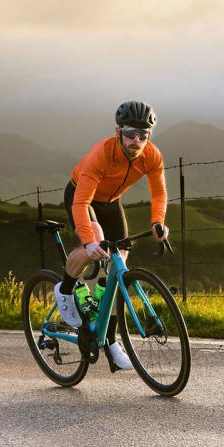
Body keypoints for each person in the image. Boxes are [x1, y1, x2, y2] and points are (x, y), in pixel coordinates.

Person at [55, 100, 170, 371]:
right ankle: (65, 289)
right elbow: (81, 204)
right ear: (118, 131)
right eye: (131, 133)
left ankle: (110, 339)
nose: (137, 140)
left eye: (143, 135)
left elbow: (159, 194)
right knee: (94, 238)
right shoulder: (102, 154)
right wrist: (89, 241)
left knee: (120, 264)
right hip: (82, 196)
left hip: (110, 202)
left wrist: (158, 222)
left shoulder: (152, 156)